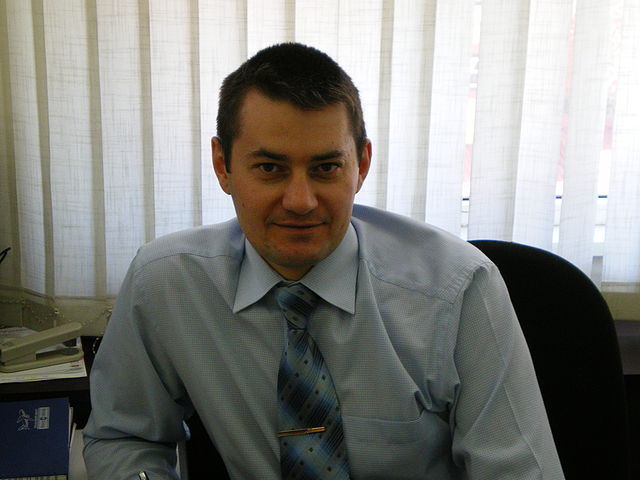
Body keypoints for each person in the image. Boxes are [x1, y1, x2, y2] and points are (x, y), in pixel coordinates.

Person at [83, 43, 564, 479]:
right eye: (270, 168)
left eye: (326, 167)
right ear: (223, 166)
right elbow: (125, 437)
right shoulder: (166, 284)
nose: (300, 201)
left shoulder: (459, 290)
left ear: (361, 166)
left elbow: (521, 472)